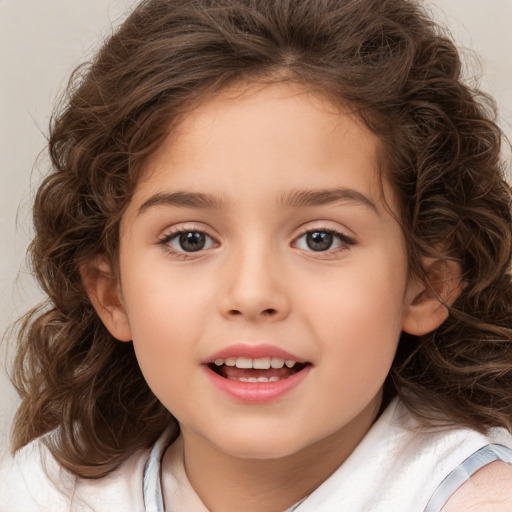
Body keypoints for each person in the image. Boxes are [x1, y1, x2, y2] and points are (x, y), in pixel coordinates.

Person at [1, 0, 512, 510]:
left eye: (320, 239)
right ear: (112, 295)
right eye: (190, 239)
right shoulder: (40, 493)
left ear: (425, 283)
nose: (252, 294)